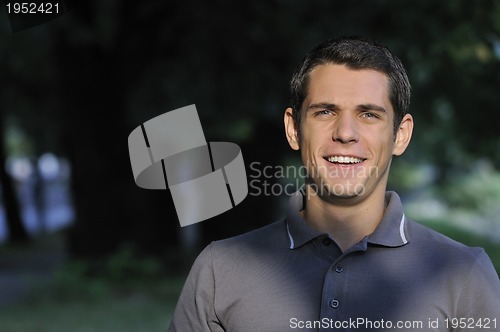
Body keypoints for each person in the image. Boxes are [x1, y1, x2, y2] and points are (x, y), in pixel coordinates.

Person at [168, 37, 500, 331]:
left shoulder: (464, 274)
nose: (345, 133)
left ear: (401, 135)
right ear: (293, 129)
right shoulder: (220, 269)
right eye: (325, 112)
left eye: (369, 114)